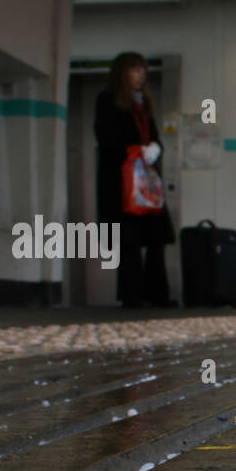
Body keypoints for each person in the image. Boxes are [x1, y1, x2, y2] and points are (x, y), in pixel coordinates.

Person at [95, 52, 175, 308]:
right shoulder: (107, 101)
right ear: (122, 73)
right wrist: (137, 150)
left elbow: (154, 137)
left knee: (155, 237)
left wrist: (155, 148)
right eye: (135, 70)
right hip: (120, 181)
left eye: (143, 70)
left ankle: (157, 293)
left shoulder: (144, 107)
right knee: (128, 239)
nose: (141, 75)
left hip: (146, 181)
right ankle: (132, 295)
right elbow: (106, 138)